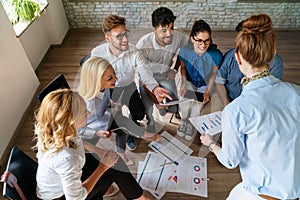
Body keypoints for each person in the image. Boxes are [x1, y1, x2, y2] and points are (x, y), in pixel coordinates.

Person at [200, 14, 300, 199]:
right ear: (272, 53)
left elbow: (230, 161)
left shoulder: (236, 111)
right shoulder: (296, 92)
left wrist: (211, 143)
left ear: (238, 58)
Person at [34, 88, 152, 200]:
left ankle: (109, 189)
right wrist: (103, 167)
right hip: (62, 196)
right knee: (115, 166)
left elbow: (78, 140)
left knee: (113, 161)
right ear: (71, 121)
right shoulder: (66, 158)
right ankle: (140, 198)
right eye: (84, 113)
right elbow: (76, 198)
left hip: (66, 174)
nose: (89, 114)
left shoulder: (56, 129)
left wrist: (98, 151)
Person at [91, 14, 170, 151]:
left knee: (139, 114)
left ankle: (134, 125)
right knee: (117, 119)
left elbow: (145, 73)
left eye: (126, 33)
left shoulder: (134, 51)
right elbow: (92, 80)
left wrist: (155, 88)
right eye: (119, 36)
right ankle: (128, 134)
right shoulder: (97, 54)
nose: (126, 39)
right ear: (108, 38)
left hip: (128, 85)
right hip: (108, 90)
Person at [78, 56, 161, 166]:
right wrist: (96, 133)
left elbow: (105, 101)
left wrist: (112, 104)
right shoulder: (87, 104)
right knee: (123, 124)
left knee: (122, 129)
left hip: (104, 118)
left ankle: (122, 152)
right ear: (96, 81)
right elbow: (78, 130)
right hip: (90, 131)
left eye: (114, 74)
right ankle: (144, 135)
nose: (116, 79)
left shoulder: (105, 87)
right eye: (110, 78)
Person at [136, 7, 188, 124]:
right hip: (148, 78)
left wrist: (174, 69)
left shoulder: (179, 37)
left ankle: (174, 112)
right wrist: (157, 103)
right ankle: (151, 121)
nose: (169, 34)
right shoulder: (142, 45)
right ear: (154, 30)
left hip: (165, 74)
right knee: (147, 105)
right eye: (164, 30)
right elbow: (144, 78)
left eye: (171, 28)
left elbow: (185, 52)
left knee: (174, 104)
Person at [215, 20, 284, 106]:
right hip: (231, 102)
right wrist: (227, 103)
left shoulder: (275, 63)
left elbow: (272, 91)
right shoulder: (230, 56)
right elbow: (219, 81)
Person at [177, 19, 223, 140]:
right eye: (199, 40)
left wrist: (208, 90)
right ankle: (184, 121)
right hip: (189, 79)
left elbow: (214, 74)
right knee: (185, 100)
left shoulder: (216, 55)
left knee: (197, 105)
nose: (203, 45)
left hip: (205, 83)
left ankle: (191, 123)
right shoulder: (184, 51)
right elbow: (182, 68)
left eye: (206, 40)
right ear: (192, 38)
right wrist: (183, 84)